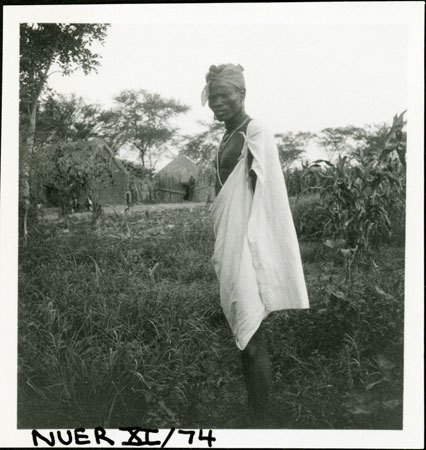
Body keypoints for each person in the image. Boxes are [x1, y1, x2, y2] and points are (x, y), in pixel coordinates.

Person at [202, 63, 309, 426]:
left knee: (251, 327)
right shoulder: (225, 137)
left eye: (225, 95)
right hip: (229, 241)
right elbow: (226, 194)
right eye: (212, 96)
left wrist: (254, 245)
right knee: (241, 324)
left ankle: (262, 420)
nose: (217, 103)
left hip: (248, 242)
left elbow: (267, 195)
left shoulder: (254, 130)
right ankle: (257, 410)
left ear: (242, 94)